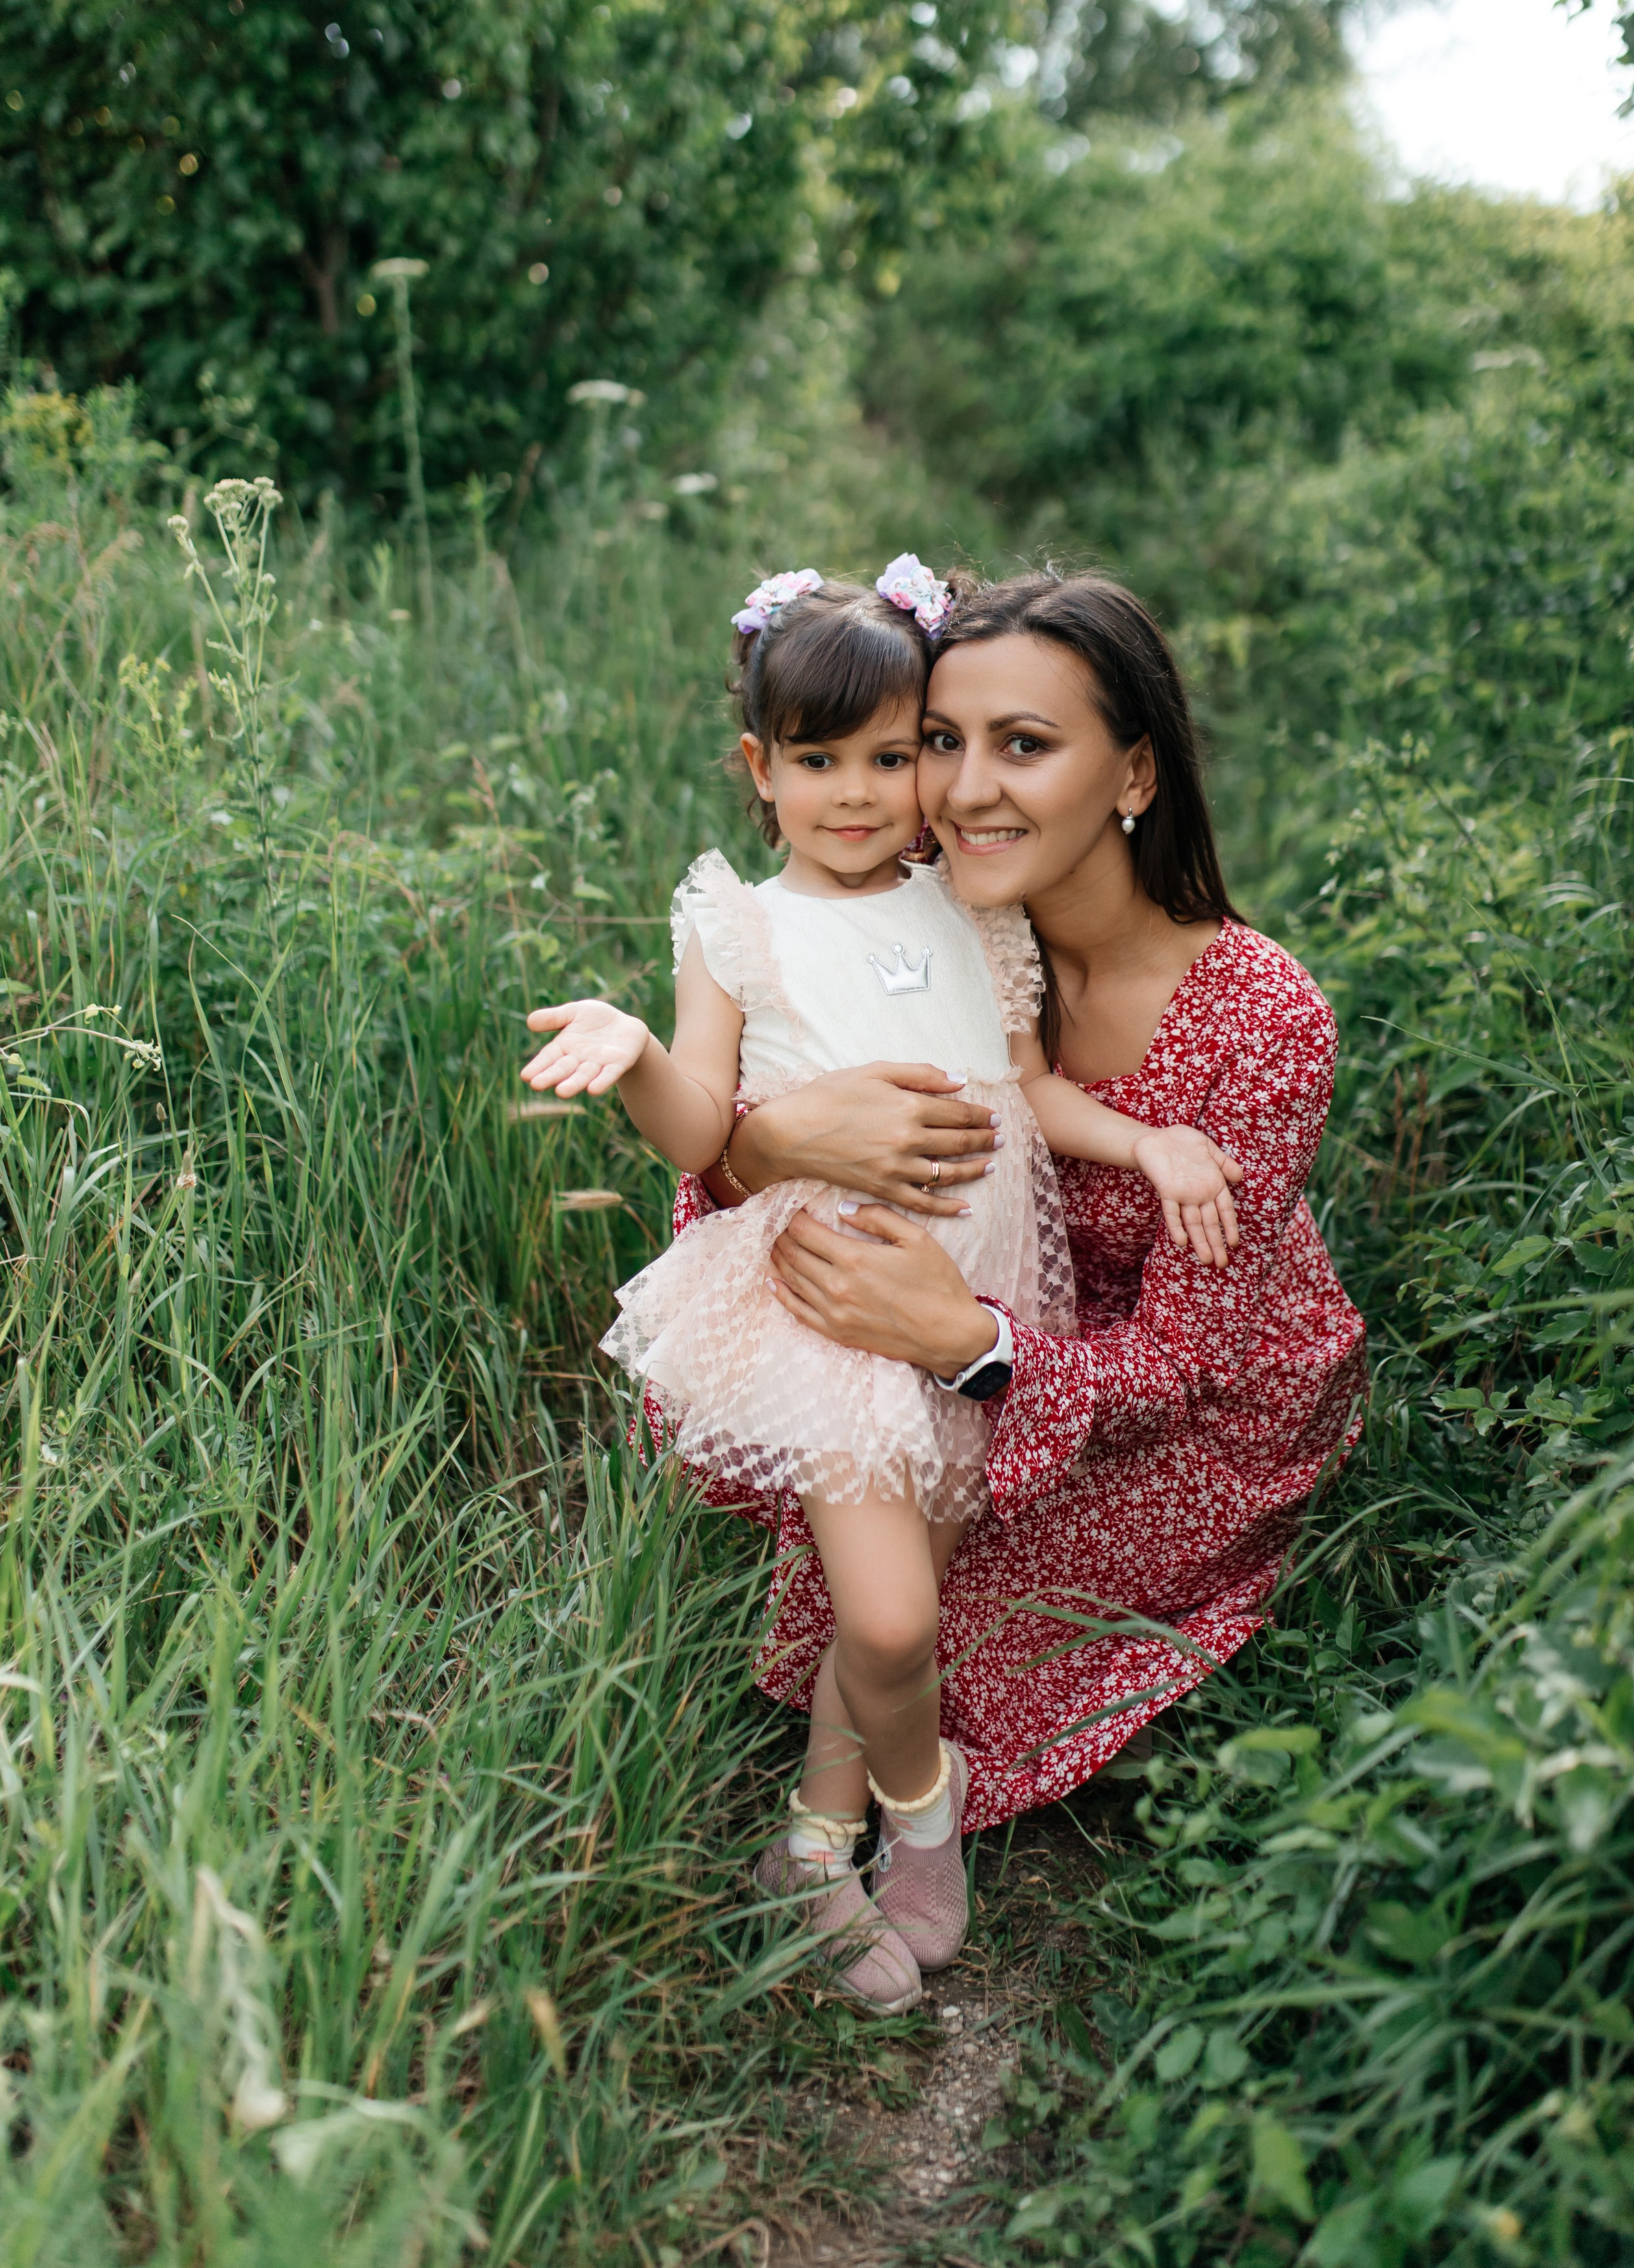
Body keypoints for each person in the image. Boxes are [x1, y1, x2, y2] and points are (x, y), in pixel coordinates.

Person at [521, 560, 1244, 2013]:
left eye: (891, 755)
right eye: (816, 762)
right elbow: (706, 1134)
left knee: (878, 1612)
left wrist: (1149, 1138)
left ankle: (806, 1844)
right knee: (899, 1619)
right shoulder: (737, 926)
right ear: (760, 769)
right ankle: (925, 1814)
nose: (856, 793)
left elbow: (1031, 1091)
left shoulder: (969, 909)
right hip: (837, 1311)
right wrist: (638, 1054)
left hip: (980, 1294)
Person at [674, 567, 1367, 1893]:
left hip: (1172, 1409)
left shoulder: (1261, 1018)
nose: (963, 790)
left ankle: (876, 1824)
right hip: (942, 1324)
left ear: (1134, 775)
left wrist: (966, 1343)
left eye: (1026, 746)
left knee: (936, 1615)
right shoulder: (922, 912)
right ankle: (840, 1824)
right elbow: (739, 1161)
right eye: (940, 740)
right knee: (883, 1582)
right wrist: (772, 1141)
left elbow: (1183, 1367)